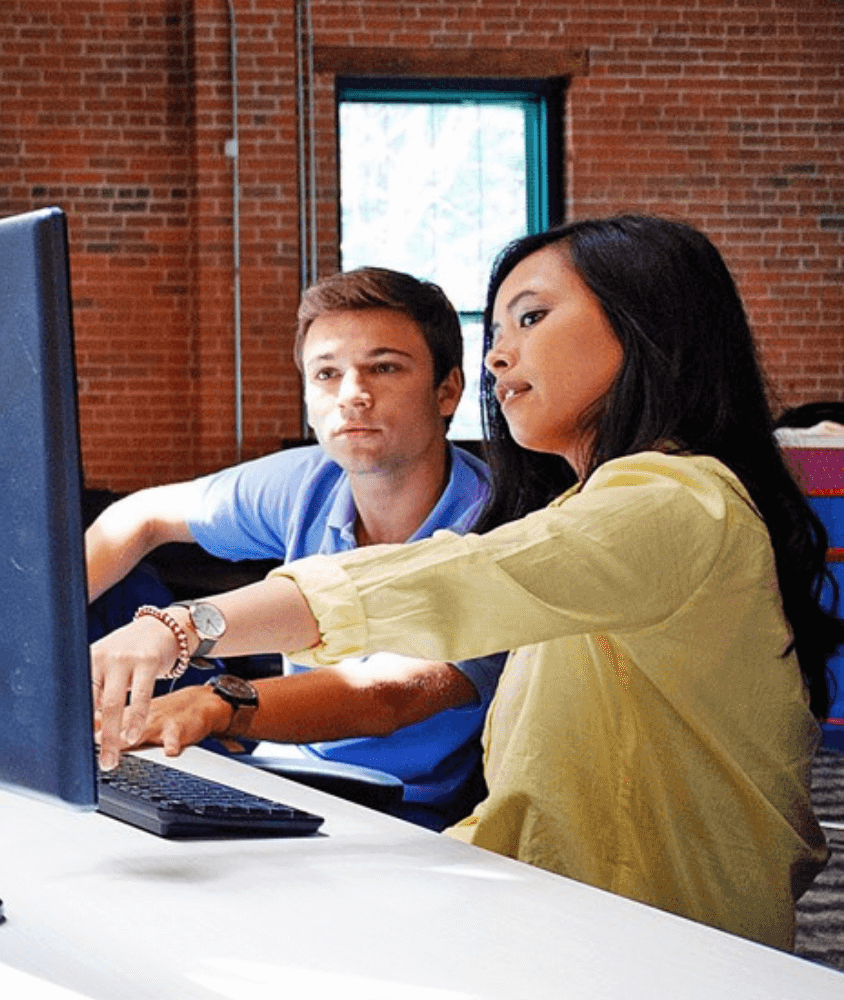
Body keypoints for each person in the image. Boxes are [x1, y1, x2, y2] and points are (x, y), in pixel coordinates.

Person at [88, 215, 839, 947]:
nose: (498, 358)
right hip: (550, 902)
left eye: (532, 317)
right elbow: (535, 809)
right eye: (498, 333)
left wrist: (187, 627)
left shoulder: (674, 501)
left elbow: (453, 585)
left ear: (647, 326)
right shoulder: (597, 503)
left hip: (659, 945)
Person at [82, 267, 504, 827]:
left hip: (407, 809)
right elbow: (135, 518)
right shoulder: (309, 481)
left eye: (384, 367)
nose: (353, 394)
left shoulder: (498, 523)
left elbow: (391, 697)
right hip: (281, 775)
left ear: (447, 390)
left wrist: (219, 703)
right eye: (327, 373)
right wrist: (30, 639)